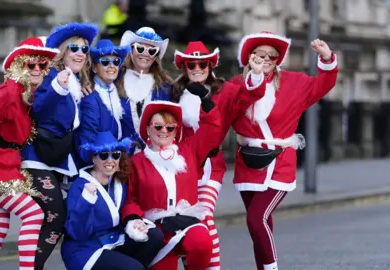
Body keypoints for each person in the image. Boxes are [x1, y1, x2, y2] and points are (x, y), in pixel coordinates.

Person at [229, 31, 338, 270]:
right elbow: (225, 113)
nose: (267, 59)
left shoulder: (294, 82)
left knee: (256, 219)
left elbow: (324, 83)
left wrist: (328, 58)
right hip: (248, 162)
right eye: (260, 54)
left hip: (280, 162)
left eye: (273, 55)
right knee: (260, 224)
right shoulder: (236, 85)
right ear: (249, 56)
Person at [0, 37, 59, 269]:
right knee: (33, 215)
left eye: (42, 65)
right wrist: (11, 91)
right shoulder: (11, 90)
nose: (37, 69)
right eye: (31, 64)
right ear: (19, 65)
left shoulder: (29, 92)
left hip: (0, 159)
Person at [172, 41, 266, 270]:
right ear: (184, 67)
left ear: (210, 64)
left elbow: (249, 96)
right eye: (190, 64)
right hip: (180, 167)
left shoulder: (225, 91)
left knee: (203, 217)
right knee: (184, 222)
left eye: (202, 63)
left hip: (210, 166)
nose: (196, 68)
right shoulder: (173, 92)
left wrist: (255, 73)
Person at [20, 23, 98, 269]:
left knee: (54, 218)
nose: (79, 53)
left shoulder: (76, 82)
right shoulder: (53, 76)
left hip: (57, 160)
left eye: (84, 50)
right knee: (56, 217)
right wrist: (57, 88)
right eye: (74, 48)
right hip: (36, 158)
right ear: (62, 52)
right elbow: (38, 108)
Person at [121, 89, 222, 270]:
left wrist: (206, 100)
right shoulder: (136, 162)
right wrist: (134, 219)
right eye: (158, 126)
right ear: (148, 129)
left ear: (176, 130)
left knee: (203, 242)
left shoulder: (189, 150)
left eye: (170, 127)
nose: (164, 131)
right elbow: (131, 199)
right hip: (157, 229)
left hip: (186, 222)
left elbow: (212, 129)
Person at [61, 131, 164, 270]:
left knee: (154, 236)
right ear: (93, 159)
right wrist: (87, 199)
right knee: (134, 268)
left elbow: (127, 206)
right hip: (85, 249)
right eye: (103, 155)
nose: (110, 160)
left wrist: (134, 221)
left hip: (113, 240)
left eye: (116, 155)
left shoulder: (118, 182)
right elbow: (77, 232)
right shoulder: (81, 186)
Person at [76, 39, 131, 166]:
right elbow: (86, 145)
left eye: (116, 61)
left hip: (111, 163)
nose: (112, 66)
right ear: (95, 68)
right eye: (105, 62)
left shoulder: (117, 91)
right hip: (97, 167)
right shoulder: (90, 97)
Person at [118, 26, 173, 152]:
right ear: (131, 50)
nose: (145, 54)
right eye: (140, 48)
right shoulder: (115, 80)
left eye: (152, 51)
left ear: (156, 56)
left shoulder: (165, 87)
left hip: (153, 158)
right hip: (120, 159)